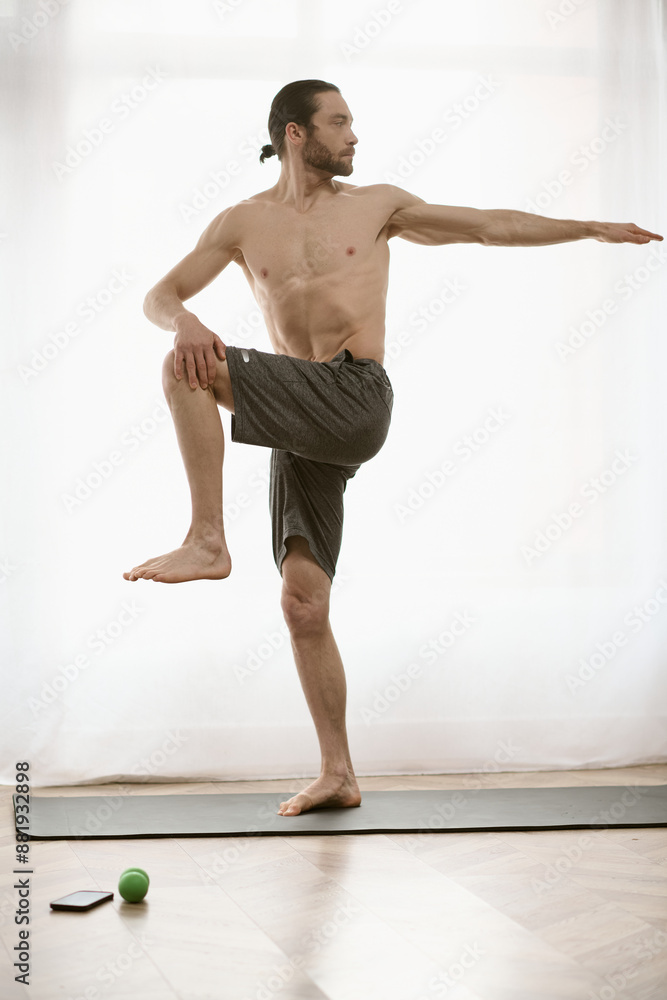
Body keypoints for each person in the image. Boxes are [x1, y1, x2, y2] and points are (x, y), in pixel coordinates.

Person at [123, 79, 663, 816]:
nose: (353, 135)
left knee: (185, 373)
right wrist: (183, 319)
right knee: (303, 603)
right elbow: (158, 296)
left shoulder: (377, 206)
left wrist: (590, 227)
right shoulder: (241, 223)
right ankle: (339, 773)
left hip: (353, 396)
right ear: (294, 133)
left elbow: (489, 226)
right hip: (300, 418)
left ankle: (207, 538)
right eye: (338, 121)